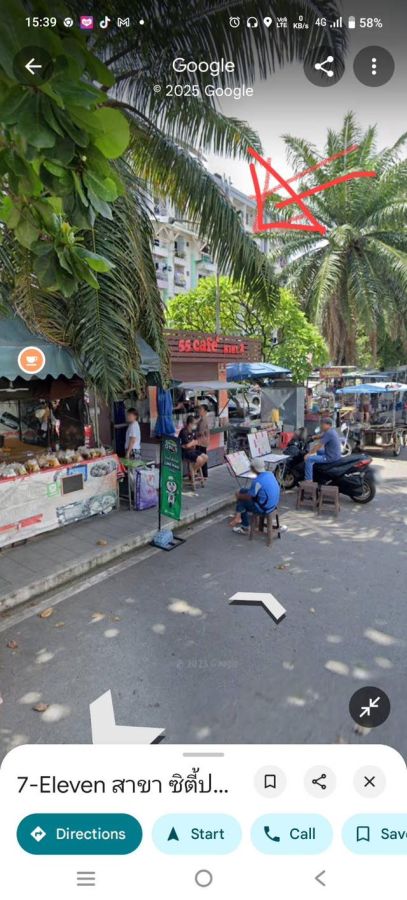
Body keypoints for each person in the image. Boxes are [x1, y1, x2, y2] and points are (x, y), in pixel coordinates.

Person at [230, 457, 280, 534]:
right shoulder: (270, 474)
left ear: (254, 469)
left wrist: (238, 496)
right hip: (273, 504)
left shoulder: (257, 481)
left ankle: (244, 526)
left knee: (242, 501)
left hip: (264, 508)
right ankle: (238, 515)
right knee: (243, 490)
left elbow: (249, 497)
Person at [304, 417, 341, 481]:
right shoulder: (331, 431)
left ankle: (308, 480)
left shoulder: (329, 433)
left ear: (328, 425)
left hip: (330, 457)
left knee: (309, 459)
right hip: (334, 454)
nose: (321, 426)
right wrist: (313, 437)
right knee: (317, 451)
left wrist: (309, 454)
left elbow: (319, 445)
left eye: (322, 424)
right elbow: (321, 435)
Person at [179, 414, 208, 484]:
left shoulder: (192, 431)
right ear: (189, 424)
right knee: (200, 459)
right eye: (194, 424)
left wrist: (192, 443)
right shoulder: (184, 431)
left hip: (192, 450)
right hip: (185, 452)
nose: (195, 425)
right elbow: (187, 445)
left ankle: (193, 471)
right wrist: (192, 443)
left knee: (205, 457)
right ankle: (193, 473)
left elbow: (196, 442)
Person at [195, 405, 210, 479]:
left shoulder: (204, 420)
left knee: (202, 458)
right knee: (203, 457)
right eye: (199, 409)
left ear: (205, 411)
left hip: (201, 442)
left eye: (201, 409)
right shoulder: (202, 418)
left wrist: (195, 434)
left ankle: (203, 474)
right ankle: (203, 474)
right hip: (202, 441)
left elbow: (200, 432)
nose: (199, 411)